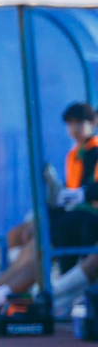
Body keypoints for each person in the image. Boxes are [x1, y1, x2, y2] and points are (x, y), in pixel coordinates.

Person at [49, 102, 98, 275]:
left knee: (75, 226)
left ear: (91, 123)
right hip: (77, 211)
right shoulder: (74, 153)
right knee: (47, 221)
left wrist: (80, 195)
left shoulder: (95, 149)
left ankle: (74, 285)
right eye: (70, 124)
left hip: (91, 212)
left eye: (79, 123)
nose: (74, 128)